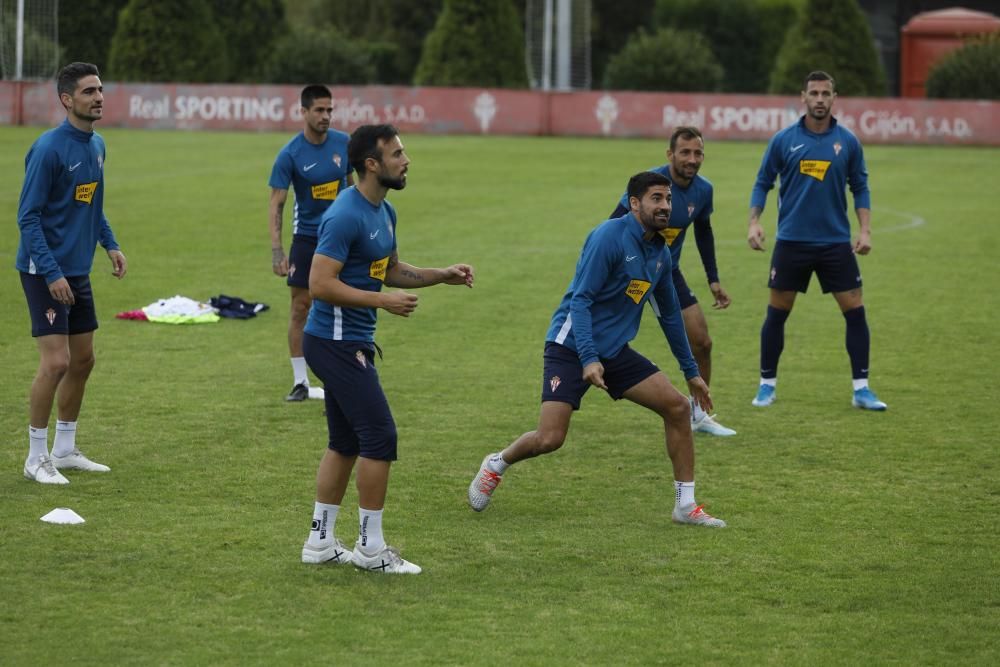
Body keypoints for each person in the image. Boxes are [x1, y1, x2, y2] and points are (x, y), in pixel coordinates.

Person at [468, 171, 726, 528]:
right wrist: (588, 358)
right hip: (571, 345)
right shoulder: (608, 237)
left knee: (678, 407)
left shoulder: (660, 254)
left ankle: (685, 505)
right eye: (656, 198)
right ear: (635, 203)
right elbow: (581, 301)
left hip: (614, 350)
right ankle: (497, 463)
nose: (665, 206)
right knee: (550, 438)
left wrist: (692, 373)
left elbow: (669, 316)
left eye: (668, 199)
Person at [300, 124, 475, 574]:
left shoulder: (385, 212)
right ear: (372, 165)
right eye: (397, 153)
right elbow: (319, 285)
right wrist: (381, 301)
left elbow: (389, 270)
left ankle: (319, 542)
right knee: (380, 436)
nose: (406, 159)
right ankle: (370, 549)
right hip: (335, 343)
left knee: (344, 442)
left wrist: (441, 275)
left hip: (348, 341)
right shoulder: (345, 215)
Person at [747, 70, 886, 411]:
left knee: (855, 313)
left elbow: (861, 186)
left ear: (834, 98)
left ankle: (862, 389)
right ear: (803, 97)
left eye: (826, 93)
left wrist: (865, 230)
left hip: (835, 243)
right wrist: (754, 222)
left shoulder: (848, 142)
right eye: (814, 93)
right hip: (792, 242)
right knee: (776, 314)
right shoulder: (783, 140)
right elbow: (763, 181)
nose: (820, 99)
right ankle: (766, 385)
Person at [16, 62, 127, 484]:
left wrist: (110, 243)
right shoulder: (48, 149)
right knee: (57, 362)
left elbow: (91, 203)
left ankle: (64, 449)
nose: (98, 97)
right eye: (88, 92)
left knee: (83, 359)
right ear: (67, 100)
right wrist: (51, 273)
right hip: (44, 269)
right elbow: (28, 218)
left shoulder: (97, 145)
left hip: (76, 269)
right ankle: (35, 457)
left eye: (100, 89)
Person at [610, 126, 736, 436]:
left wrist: (714, 279)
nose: (692, 159)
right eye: (685, 152)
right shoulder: (649, 185)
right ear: (670, 155)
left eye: (698, 153)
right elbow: (613, 226)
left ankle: (698, 415)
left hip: (667, 272)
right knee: (607, 341)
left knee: (702, 342)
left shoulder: (704, 190)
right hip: (632, 272)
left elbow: (703, 232)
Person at [268, 85, 353, 402]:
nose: (326, 116)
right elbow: (277, 202)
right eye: (319, 110)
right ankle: (301, 382)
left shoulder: (344, 144)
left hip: (341, 237)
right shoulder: (290, 154)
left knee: (340, 307)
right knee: (301, 306)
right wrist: (278, 250)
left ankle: (340, 378)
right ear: (303, 112)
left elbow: (352, 189)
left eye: (330, 110)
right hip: (306, 238)